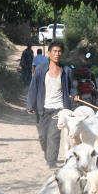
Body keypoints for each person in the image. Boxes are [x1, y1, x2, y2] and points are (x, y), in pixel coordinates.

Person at [26, 41, 73, 169]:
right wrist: (30, 103)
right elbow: (33, 87)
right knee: (43, 137)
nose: (57, 54)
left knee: (53, 136)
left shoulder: (66, 70)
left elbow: (71, 87)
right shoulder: (41, 69)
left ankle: (52, 162)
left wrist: (75, 94)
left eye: (59, 51)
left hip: (59, 109)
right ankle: (49, 156)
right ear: (49, 53)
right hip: (43, 108)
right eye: (54, 51)